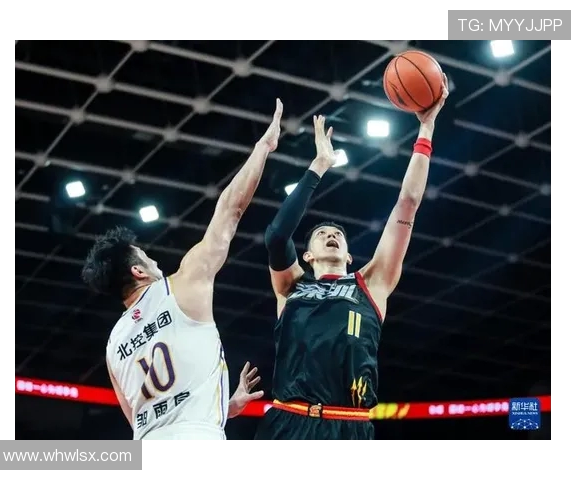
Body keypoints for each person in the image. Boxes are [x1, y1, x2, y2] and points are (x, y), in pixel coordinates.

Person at [255, 79, 449, 440]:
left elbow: (408, 203)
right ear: (307, 255)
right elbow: (277, 235)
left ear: (348, 254)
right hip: (288, 420)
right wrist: (319, 165)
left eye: (338, 235)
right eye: (321, 234)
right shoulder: (291, 286)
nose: (331, 235)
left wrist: (426, 128)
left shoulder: (372, 282)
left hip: (349, 424)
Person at [81, 99, 284, 440]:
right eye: (147, 257)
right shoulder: (181, 285)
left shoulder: (114, 345)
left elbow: (141, 421)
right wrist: (263, 147)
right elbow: (230, 210)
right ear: (138, 272)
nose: (156, 262)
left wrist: (223, 408)